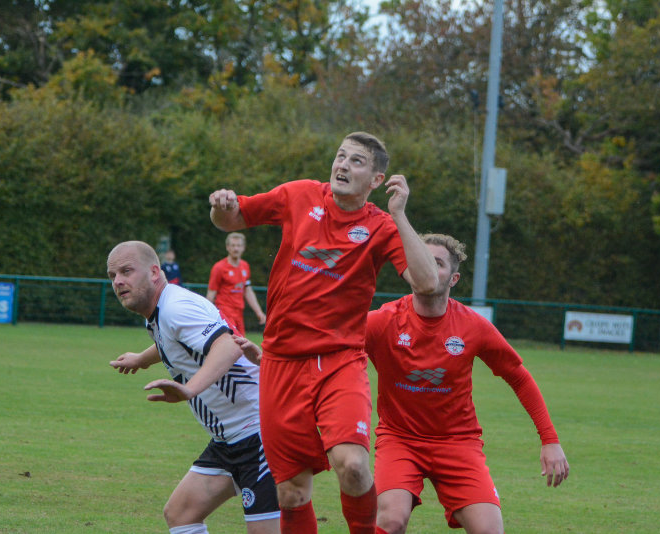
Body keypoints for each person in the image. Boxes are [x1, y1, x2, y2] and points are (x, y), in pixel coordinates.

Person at [208, 131, 439, 534]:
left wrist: (400, 216)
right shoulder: (298, 194)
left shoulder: (381, 226)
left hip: (339, 361)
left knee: (353, 465)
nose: (343, 165)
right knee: (291, 492)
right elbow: (232, 219)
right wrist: (221, 206)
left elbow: (427, 283)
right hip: (281, 363)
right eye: (340, 156)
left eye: (356, 161)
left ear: (376, 180)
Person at [364, 233, 570, 534]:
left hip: (458, 443)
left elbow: (518, 376)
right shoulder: (382, 321)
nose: (428, 268)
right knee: (391, 520)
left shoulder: (472, 326)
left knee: (489, 530)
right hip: (400, 440)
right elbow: (332, 346)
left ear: (454, 278)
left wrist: (550, 440)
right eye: (422, 261)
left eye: (438, 263)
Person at [106, 240, 280, 534]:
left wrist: (189, 390)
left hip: (258, 433)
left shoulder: (175, 308)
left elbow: (228, 347)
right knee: (181, 514)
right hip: (229, 439)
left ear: (154, 272)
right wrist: (142, 360)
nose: (118, 281)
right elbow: (172, 341)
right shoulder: (161, 311)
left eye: (126, 271)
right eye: (113, 276)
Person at [207, 232, 266, 336]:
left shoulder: (245, 266)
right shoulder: (219, 267)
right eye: (233, 245)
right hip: (224, 313)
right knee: (232, 342)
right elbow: (211, 294)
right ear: (227, 247)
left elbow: (247, 290)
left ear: (243, 248)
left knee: (242, 343)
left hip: (239, 313)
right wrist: (206, 315)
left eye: (239, 245)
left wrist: (259, 312)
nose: (236, 249)